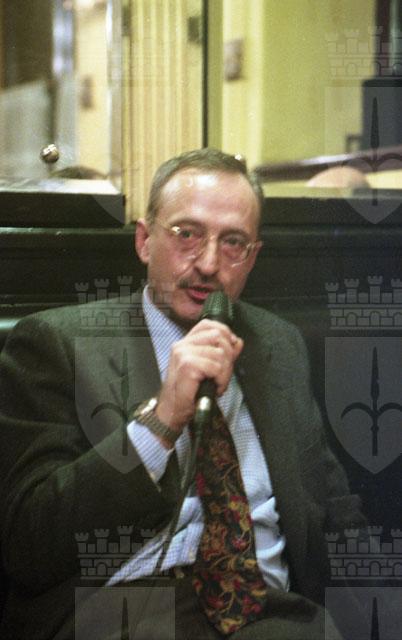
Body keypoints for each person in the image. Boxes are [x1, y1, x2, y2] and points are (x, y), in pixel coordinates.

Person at [0, 148, 365, 639]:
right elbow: (28, 544)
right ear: (144, 241)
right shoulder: (57, 343)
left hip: (272, 611)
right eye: (186, 234)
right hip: (124, 610)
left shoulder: (278, 345)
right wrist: (162, 420)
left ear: (253, 257)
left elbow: (334, 509)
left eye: (232, 242)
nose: (209, 264)